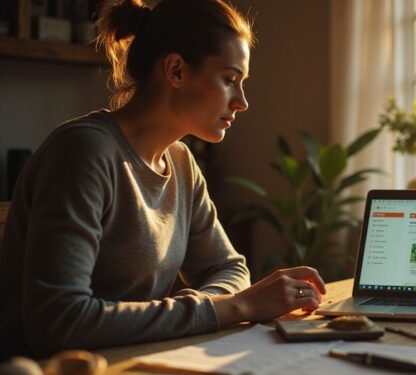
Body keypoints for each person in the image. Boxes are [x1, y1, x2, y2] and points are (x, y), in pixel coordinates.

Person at [0, 0, 325, 359]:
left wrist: (207, 308)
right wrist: (234, 307)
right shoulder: (83, 153)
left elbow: (229, 267)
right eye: (230, 80)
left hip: (140, 359)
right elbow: (58, 321)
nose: (242, 102)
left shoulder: (181, 162)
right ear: (176, 70)